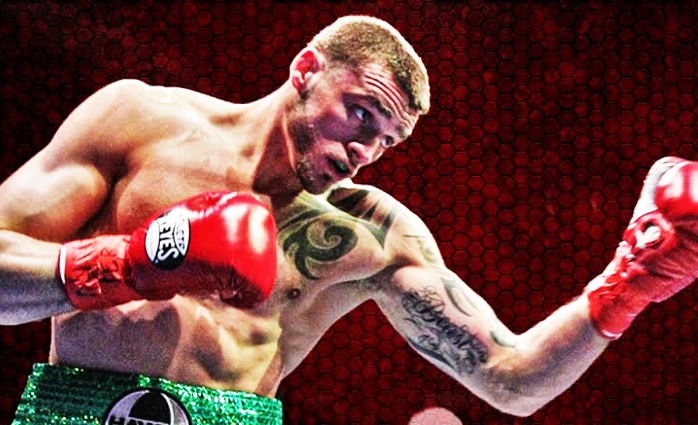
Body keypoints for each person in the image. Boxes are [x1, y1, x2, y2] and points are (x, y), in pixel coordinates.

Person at [1, 14, 697, 424]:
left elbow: (509, 379)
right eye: (360, 115)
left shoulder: (370, 236)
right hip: (71, 410)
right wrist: (125, 264)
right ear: (306, 67)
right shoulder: (140, 122)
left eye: (385, 141)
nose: (364, 151)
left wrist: (629, 283)